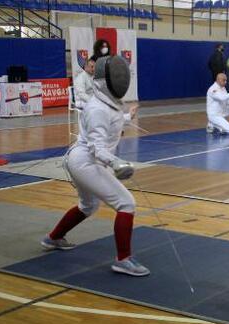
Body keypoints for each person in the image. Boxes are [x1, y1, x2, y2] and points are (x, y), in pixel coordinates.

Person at [41, 56, 149, 277]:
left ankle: (52, 238)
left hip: (83, 161)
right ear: (104, 81)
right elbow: (97, 148)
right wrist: (117, 162)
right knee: (126, 203)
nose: (121, 80)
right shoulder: (97, 108)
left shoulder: (107, 104)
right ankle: (123, 259)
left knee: (88, 206)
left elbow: (113, 121)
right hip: (86, 162)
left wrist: (129, 116)